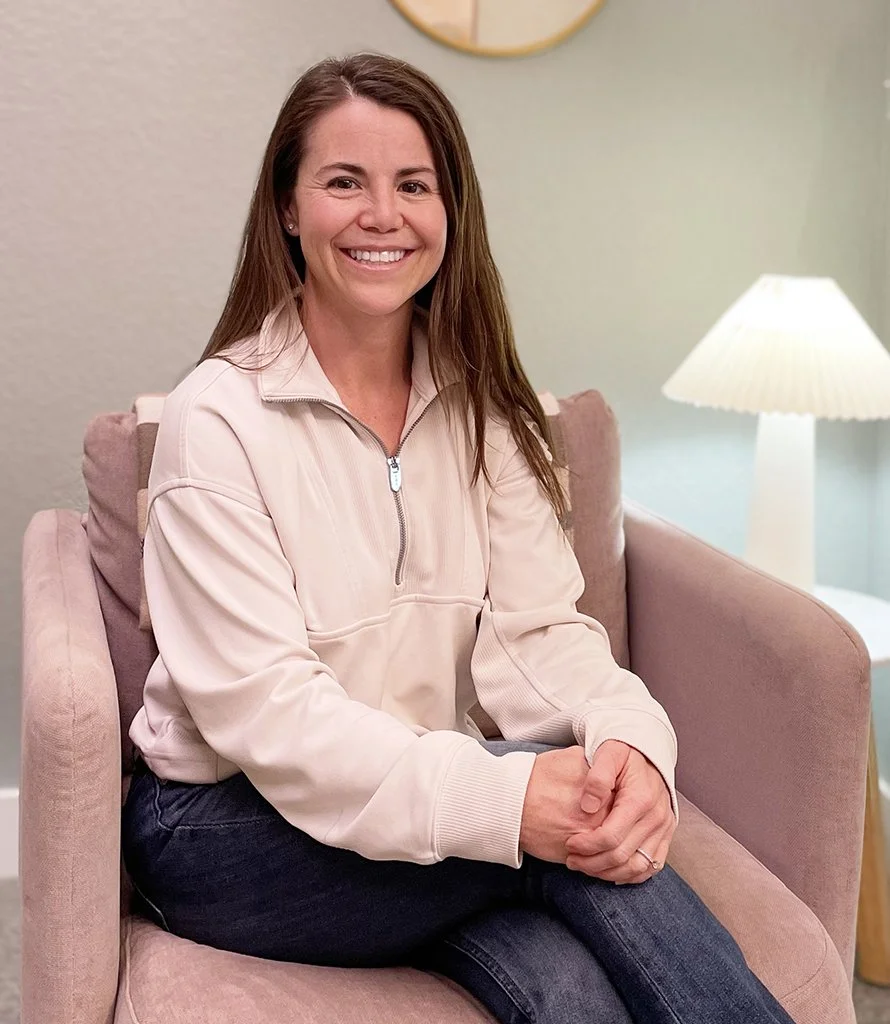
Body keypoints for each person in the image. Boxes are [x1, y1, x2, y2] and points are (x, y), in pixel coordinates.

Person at [122, 52, 796, 1024]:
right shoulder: (218, 418)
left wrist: (630, 747)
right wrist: (510, 802)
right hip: (223, 824)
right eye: (343, 181)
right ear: (285, 207)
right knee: (566, 859)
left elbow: (541, 635)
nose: (381, 214)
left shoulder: (486, 412)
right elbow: (271, 716)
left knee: (567, 985)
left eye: (412, 185)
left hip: (411, 808)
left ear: (450, 210)